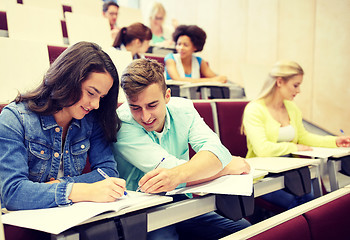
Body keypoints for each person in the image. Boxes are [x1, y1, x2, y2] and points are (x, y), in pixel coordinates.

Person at [112, 58, 251, 240]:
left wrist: (178, 175)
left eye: (152, 105)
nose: (145, 116)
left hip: (180, 198)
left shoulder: (184, 108)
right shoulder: (121, 122)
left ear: (167, 96)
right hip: (140, 210)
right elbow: (167, 173)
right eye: (135, 107)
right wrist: (226, 168)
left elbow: (215, 149)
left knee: (243, 229)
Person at [0, 42, 126, 211]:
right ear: (67, 79)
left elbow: (107, 172)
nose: (96, 104)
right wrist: (81, 190)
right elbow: (14, 194)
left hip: (71, 218)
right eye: (91, 93)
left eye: (101, 97)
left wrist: (63, 185)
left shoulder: (91, 119)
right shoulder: (14, 118)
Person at [242, 60, 350, 209]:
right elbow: (263, 149)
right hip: (264, 177)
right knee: (299, 203)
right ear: (279, 82)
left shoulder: (291, 107)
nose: (298, 91)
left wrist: (335, 141)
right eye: (295, 85)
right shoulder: (254, 109)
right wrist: (294, 147)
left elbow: (304, 137)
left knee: (313, 199)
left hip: (292, 170)